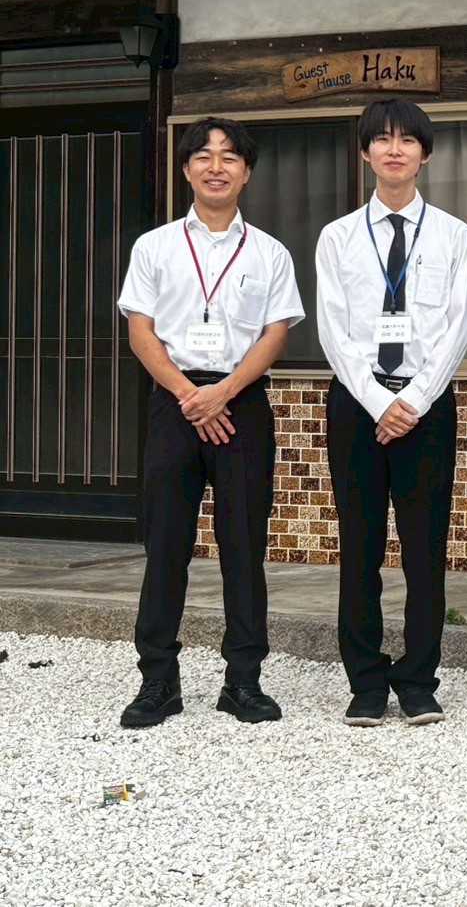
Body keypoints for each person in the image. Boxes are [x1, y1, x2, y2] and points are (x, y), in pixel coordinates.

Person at [116, 117, 304, 728]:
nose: (215, 166)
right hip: (174, 403)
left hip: (241, 403)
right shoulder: (155, 246)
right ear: (186, 168)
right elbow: (141, 330)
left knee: (244, 546)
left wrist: (222, 393)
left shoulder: (270, 252)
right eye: (203, 155)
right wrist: (188, 395)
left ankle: (243, 681)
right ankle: (157, 681)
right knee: (165, 544)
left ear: (246, 173)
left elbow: (275, 333)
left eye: (229, 157)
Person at [316, 99, 467, 727]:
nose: (394, 149)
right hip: (358, 406)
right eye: (381, 139)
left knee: (424, 549)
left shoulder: (453, 234)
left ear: (425, 154)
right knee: (359, 547)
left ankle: (417, 679)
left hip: (426, 406)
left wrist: (413, 400)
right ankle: (365, 681)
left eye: (407, 140)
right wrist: (381, 402)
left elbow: (458, 326)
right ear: (365, 153)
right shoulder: (338, 236)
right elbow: (333, 330)